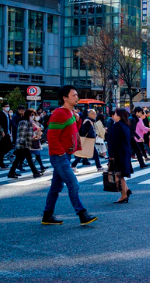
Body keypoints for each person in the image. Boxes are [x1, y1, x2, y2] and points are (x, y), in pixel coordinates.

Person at [41, 85, 98, 226]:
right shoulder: (59, 113)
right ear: (65, 98)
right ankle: (82, 214)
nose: (77, 97)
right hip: (60, 156)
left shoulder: (71, 113)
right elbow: (52, 136)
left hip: (66, 155)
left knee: (55, 187)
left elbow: (73, 132)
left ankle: (47, 215)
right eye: (74, 95)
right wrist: (60, 152)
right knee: (73, 184)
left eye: (77, 95)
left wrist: (77, 119)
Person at [7, 109, 44, 179]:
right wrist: (22, 143)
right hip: (23, 144)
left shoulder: (29, 122)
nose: (33, 116)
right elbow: (22, 134)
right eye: (32, 115)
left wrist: (34, 136)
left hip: (26, 143)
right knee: (29, 159)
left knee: (18, 159)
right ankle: (36, 173)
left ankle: (11, 173)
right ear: (28, 115)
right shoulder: (23, 122)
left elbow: (29, 133)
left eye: (34, 115)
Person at [108, 109, 134, 203]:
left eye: (114, 114)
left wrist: (111, 154)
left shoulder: (117, 125)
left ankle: (124, 195)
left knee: (119, 175)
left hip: (119, 152)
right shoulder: (125, 125)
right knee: (121, 173)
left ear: (119, 116)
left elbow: (114, 142)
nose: (113, 116)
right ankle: (126, 190)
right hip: (125, 151)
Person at [0, 102, 12, 169]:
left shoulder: (7, 114)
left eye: (8, 106)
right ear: (3, 107)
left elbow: (9, 125)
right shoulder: (1, 114)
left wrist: (9, 133)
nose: (7, 107)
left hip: (7, 133)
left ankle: (1, 160)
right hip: (2, 134)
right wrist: (2, 131)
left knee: (9, 146)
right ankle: (2, 164)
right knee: (2, 148)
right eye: (6, 106)